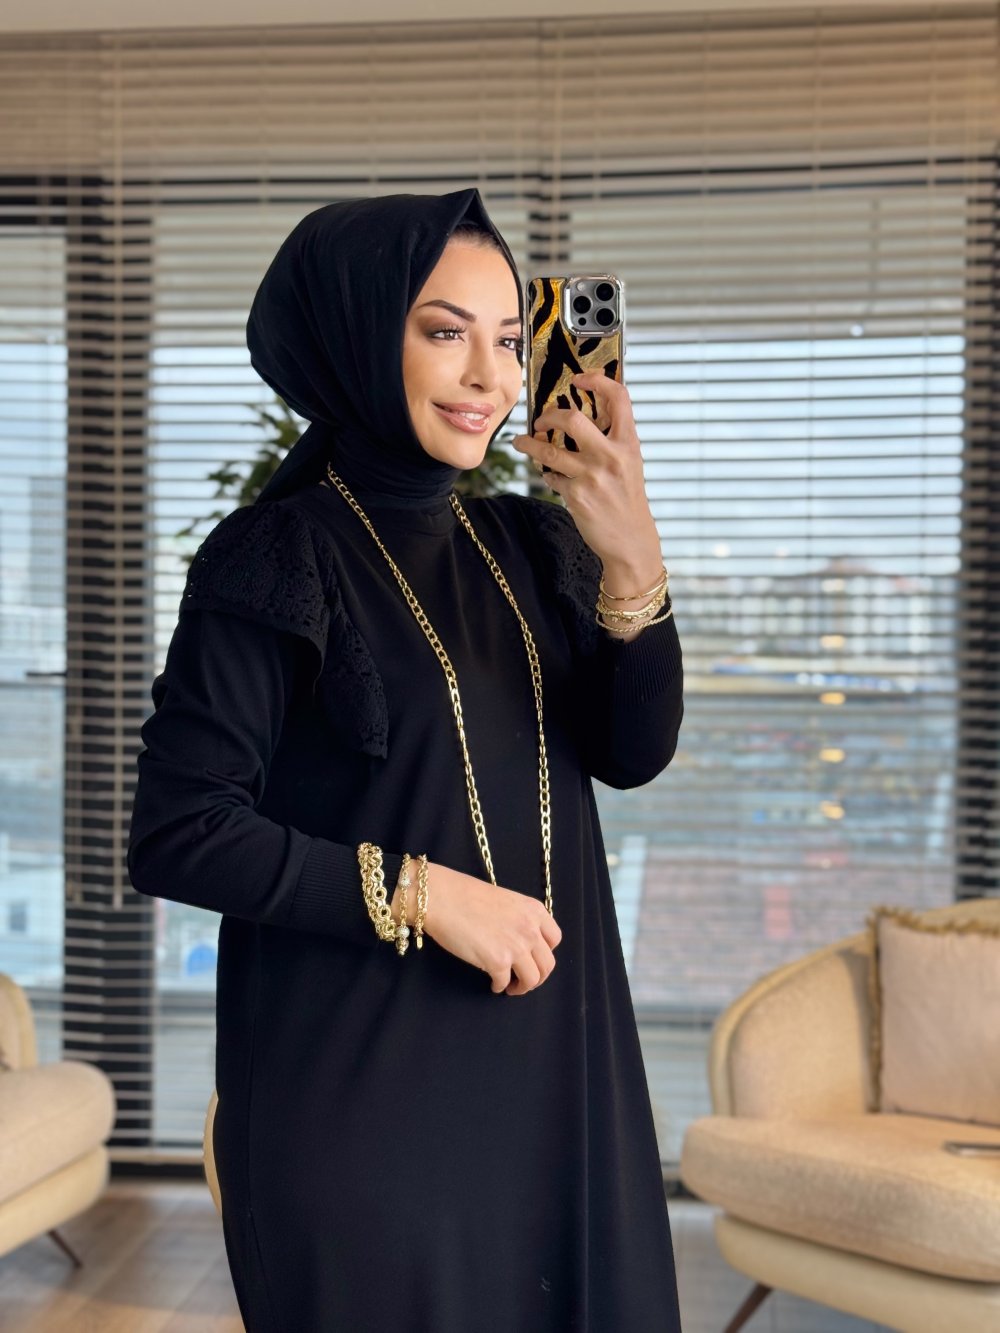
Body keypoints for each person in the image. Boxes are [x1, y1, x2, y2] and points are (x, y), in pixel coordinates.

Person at [127, 186, 685, 1332]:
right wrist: (426, 894)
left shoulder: (532, 541)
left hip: (557, 1070)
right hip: (361, 1096)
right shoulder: (275, 554)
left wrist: (631, 561)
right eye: (442, 331)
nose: (488, 374)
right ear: (351, 334)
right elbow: (181, 832)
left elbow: (631, 755)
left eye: (506, 338)